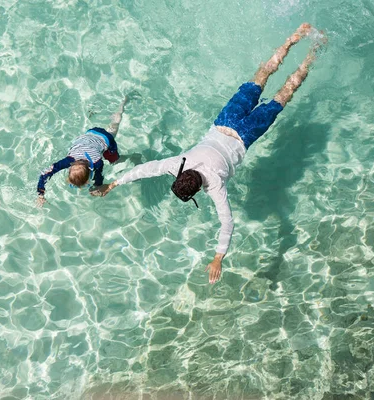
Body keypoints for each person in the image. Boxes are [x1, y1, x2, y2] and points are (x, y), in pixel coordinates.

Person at [91, 23, 325, 284]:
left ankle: (312, 52)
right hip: (227, 120)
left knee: (283, 94)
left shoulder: (215, 186)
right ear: (180, 176)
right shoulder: (178, 163)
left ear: (195, 191)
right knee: (261, 76)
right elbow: (145, 170)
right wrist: (112, 183)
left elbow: (227, 224)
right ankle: (293, 38)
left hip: (246, 134)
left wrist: (217, 259)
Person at [36, 95, 139, 207]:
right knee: (109, 129)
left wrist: (98, 187)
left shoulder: (97, 162)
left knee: (114, 160)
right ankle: (108, 111)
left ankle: (122, 105)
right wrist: (40, 193)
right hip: (90, 133)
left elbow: (99, 176)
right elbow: (44, 173)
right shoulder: (68, 160)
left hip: (106, 139)